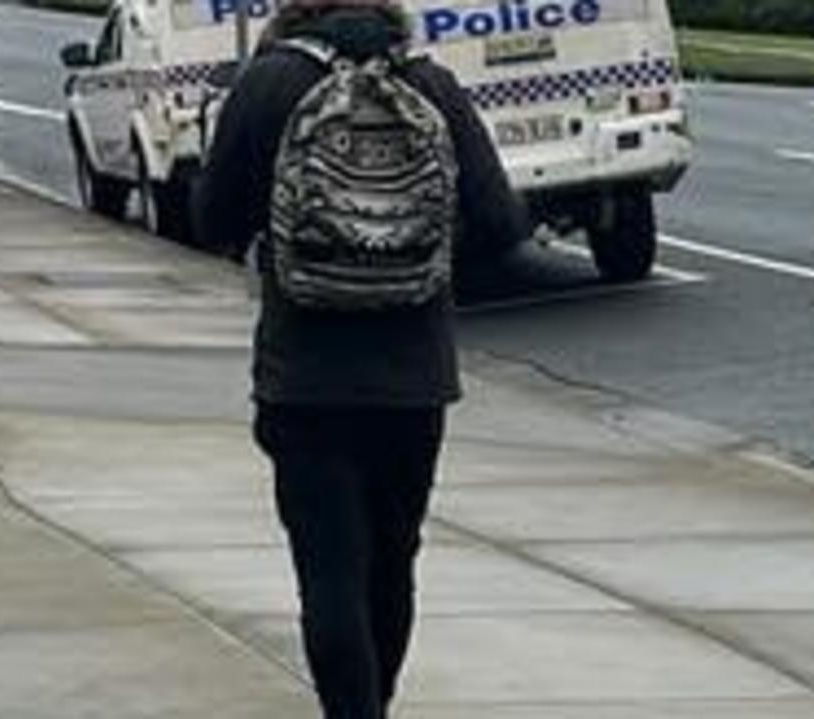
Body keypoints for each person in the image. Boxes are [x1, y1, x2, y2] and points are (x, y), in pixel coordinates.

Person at [195, 1, 527, 717]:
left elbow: (212, 219)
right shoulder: (430, 84)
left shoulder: (269, 84)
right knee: (392, 563)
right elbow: (501, 223)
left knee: (329, 573)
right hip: (414, 377)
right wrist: (418, 250)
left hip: (305, 376)